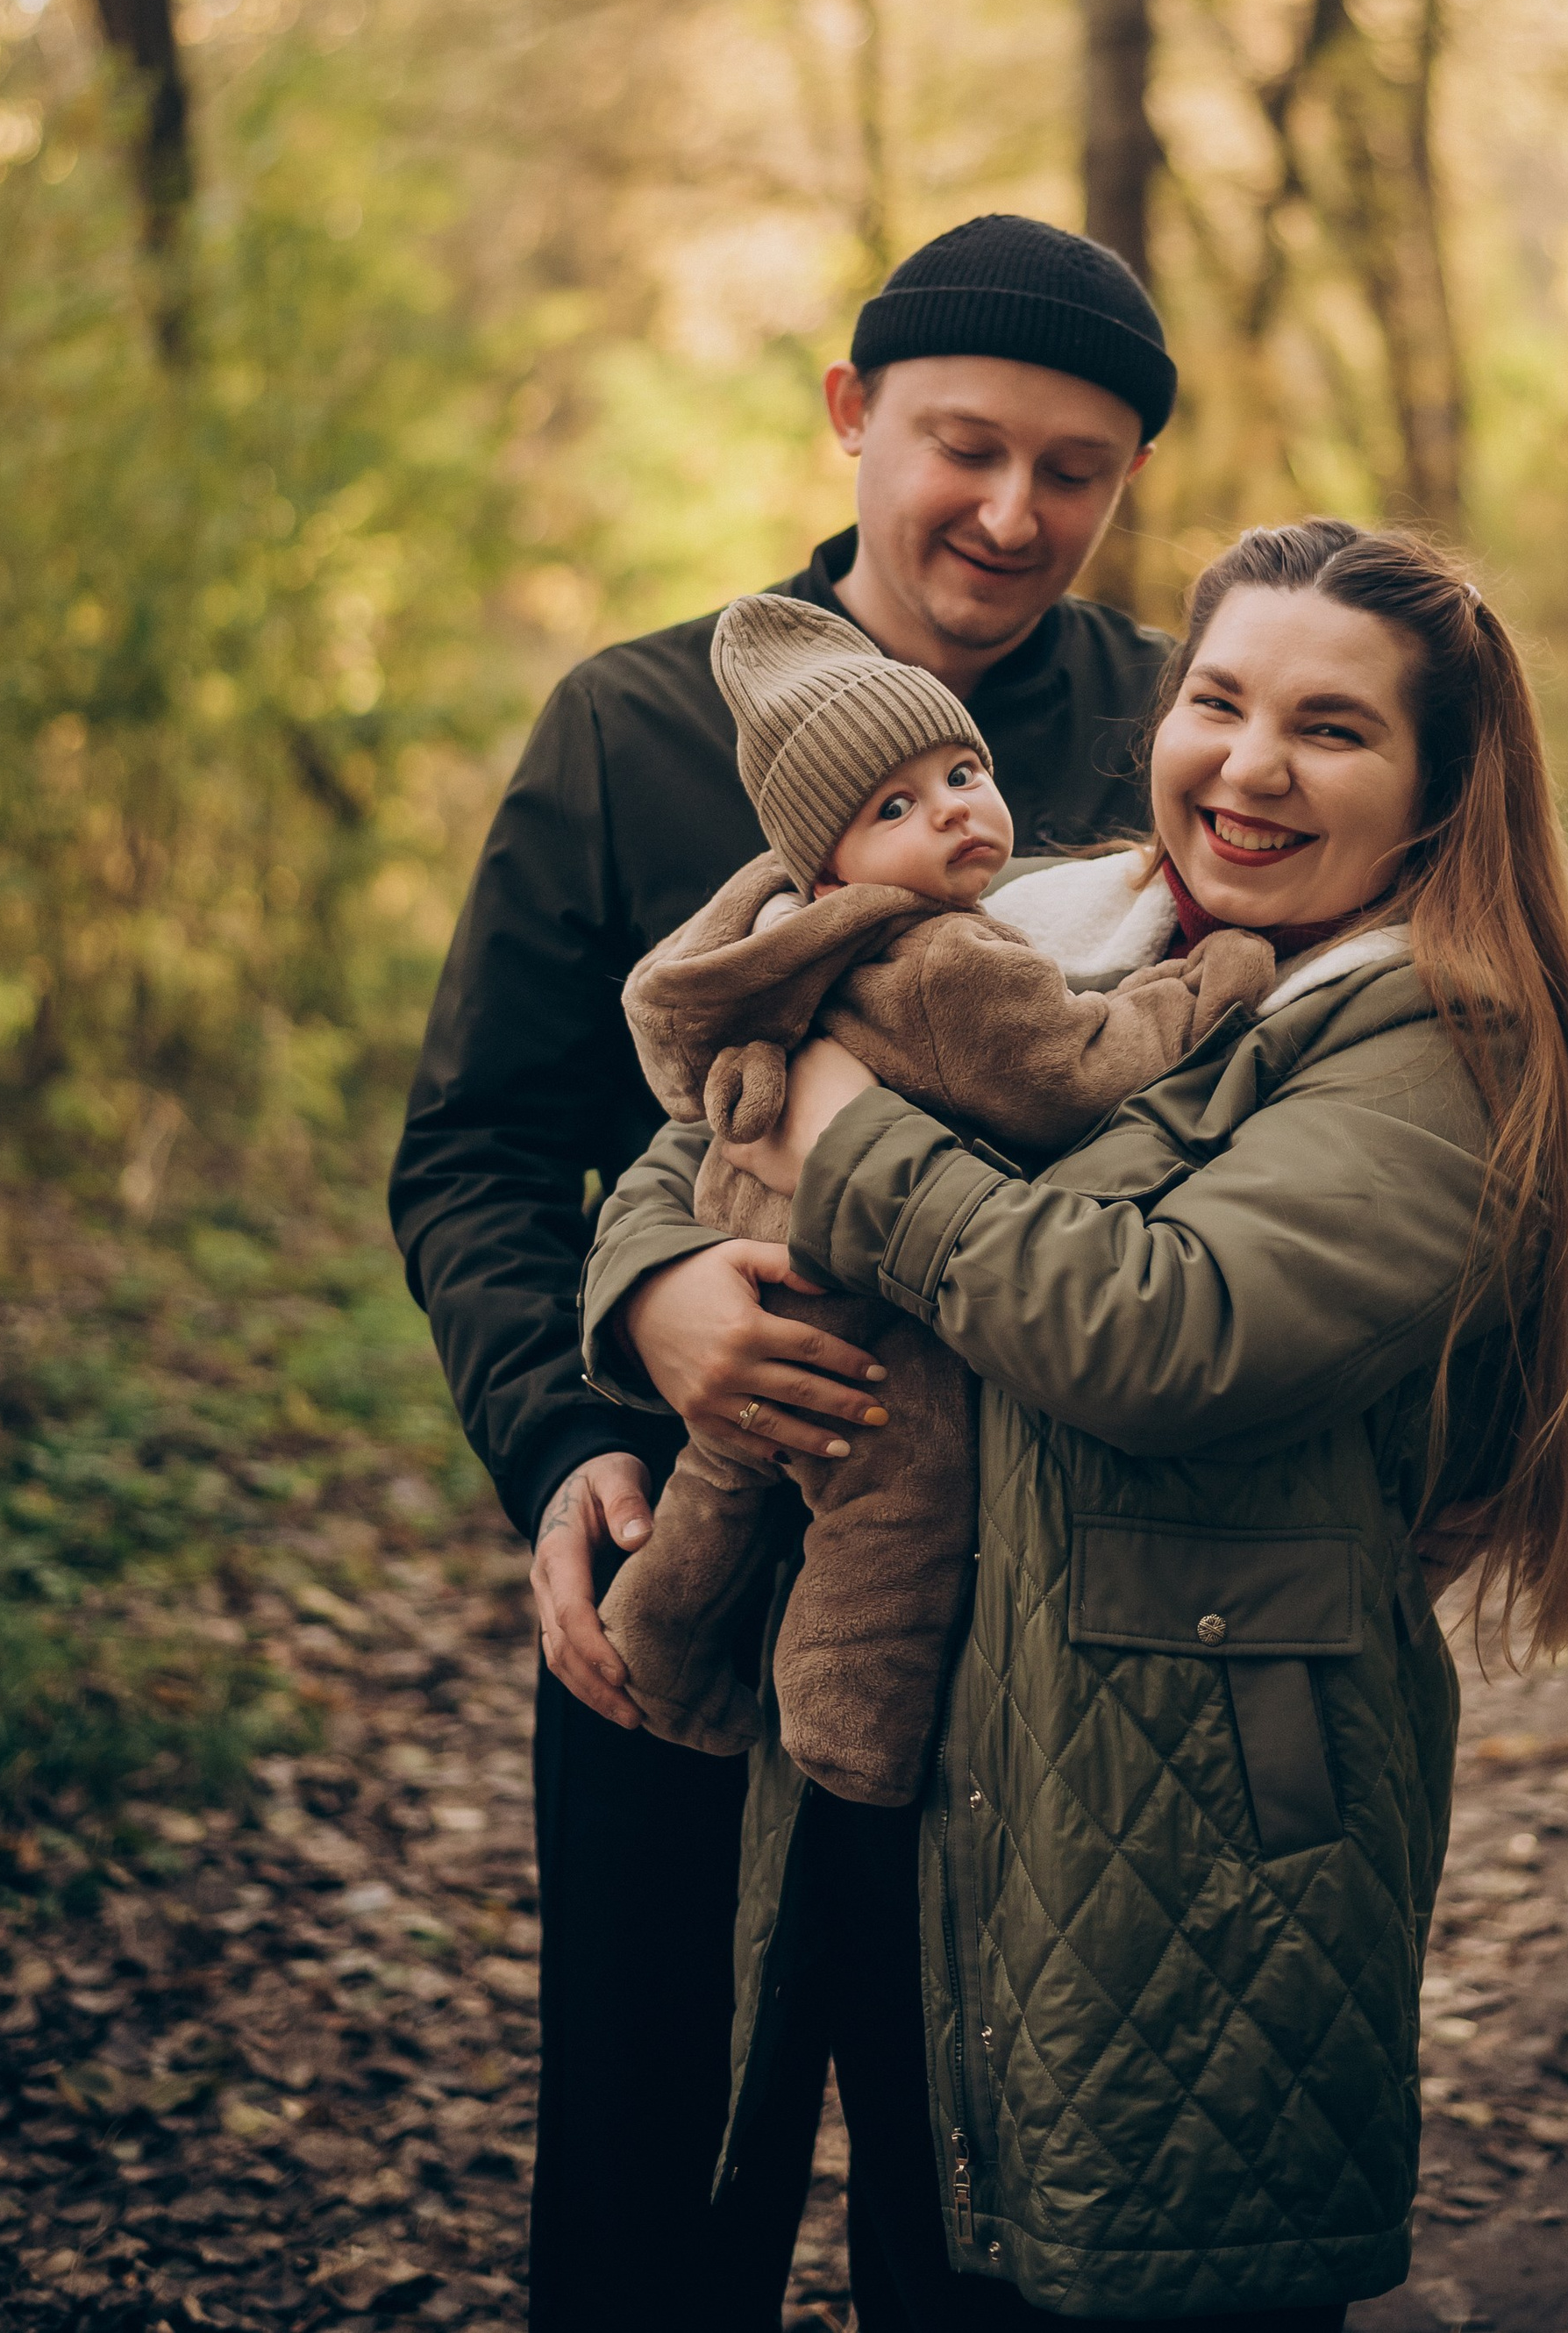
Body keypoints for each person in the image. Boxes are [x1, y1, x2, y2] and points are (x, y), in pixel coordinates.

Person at [585, 517, 1568, 2329]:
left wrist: (847, 1145)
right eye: (1217, 700)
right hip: (911, 1761)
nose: (1246, 767)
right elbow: (696, 1122)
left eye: (1329, 729)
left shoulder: (1432, 1038)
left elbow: (1156, 1330)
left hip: (1187, 1830)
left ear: (1434, 789)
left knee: (1131, 2276)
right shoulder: (1031, 918)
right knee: (929, 2274)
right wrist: (659, 1287)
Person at [387, 215, 1182, 2332]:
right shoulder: (633, 725)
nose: (1011, 514)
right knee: (656, 2209)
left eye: (1075, 470)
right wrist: (588, 1401)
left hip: (1048, 1618)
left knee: (998, 2228)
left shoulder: (1178, 738)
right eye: (961, 445)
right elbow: (473, 1147)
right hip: (693, 1586)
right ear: (850, 417)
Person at [601, 590, 1268, 1798]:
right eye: (896, 807)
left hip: (745, 1262)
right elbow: (1078, 1073)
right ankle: (852, 1730)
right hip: (865, 1306)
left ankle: (652, 1639)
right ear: (834, 857)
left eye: (963, 771)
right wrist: (1205, 981)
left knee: (718, 1478)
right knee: (893, 1507)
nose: (954, 808)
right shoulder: (952, 958)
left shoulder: (794, 946)